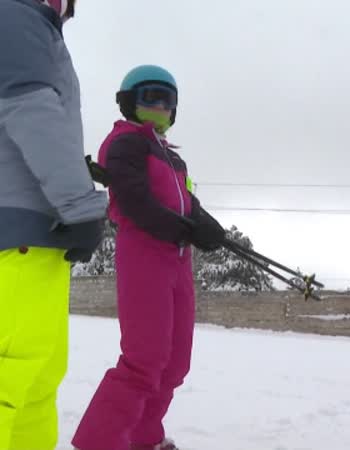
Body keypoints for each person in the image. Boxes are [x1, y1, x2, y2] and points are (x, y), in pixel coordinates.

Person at [71, 65, 227, 450]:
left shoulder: (174, 159)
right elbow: (134, 201)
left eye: (167, 100)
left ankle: (144, 437)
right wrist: (184, 228)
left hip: (178, 261)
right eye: (150, 97)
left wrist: (209, 227)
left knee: (176, 362)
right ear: (128, 103)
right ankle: (100, 442)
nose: (159, 106)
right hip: (143, 253)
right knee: (145, 359)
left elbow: (188, 205)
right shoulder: (125, 143)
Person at [0, 1, 108, 449]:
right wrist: (80, 203)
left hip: (35, 235)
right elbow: (31, 109)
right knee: (15, 378)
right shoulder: (16, 15)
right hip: (20, 233)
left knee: (36, 381)